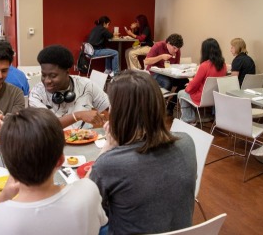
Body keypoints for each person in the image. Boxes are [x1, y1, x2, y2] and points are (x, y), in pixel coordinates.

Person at [0, 108, 108, 235]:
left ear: (7, 164)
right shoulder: (88, 193)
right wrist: (108, 146)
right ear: (60, 161)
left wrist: (5, 194)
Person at [90, 71, 197, 235]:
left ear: (118, 113)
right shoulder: (187, 142)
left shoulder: (109, 164)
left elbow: (86, 205)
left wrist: (107, 148)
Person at [29, 45, 109, 129]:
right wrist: (78, 115)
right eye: (44, 75)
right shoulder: (36, 93)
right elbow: (47, 126)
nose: (47, 81)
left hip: (86, 140)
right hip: (52, 141)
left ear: (67, 72)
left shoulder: (86, 85)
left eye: (53, 76)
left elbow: (111, 108)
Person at [178, 38, 227, 124]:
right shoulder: (223, 65)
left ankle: (188, 118)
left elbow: (195, 83)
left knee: (181, 93)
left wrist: (188, 87)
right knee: (187, 90)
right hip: (215, 97)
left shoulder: (204, 65)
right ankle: (198, 116)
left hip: (202, 97)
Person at [145, 33, 187, 113]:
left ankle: (170, 106)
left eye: (177, 49)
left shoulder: (177, 51)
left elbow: (176, 66)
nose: (176, 50)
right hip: (154, 73)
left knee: (184, 82)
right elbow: (146, 61)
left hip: (169, 74)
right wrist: (161, 57)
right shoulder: (158, 46)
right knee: (167, 82)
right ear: (168, 43)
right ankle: (159, 107)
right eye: (174, 48)